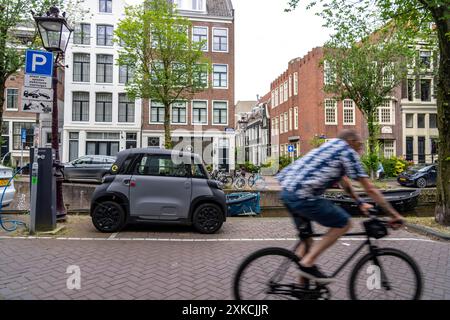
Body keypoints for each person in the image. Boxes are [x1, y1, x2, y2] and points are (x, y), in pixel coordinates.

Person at [277, 129, 404, 284]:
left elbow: (345, 182)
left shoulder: (330, 146)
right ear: (351, 141)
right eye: (360, 144)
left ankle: (302, 290)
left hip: (287, 193)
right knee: (344, 223)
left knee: (308, 244)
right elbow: (369, 188)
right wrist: (394, 215)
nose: (361, 149)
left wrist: (359, 202)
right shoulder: (347, 151)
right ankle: (307, 263)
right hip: (303, 196)